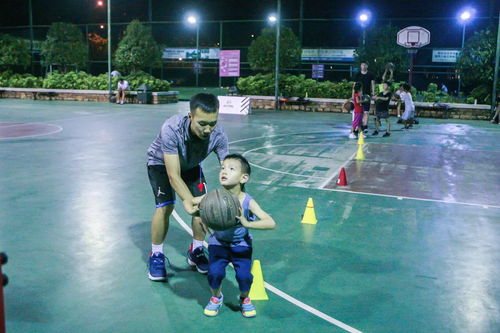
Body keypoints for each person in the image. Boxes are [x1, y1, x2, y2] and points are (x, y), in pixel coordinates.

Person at [146, 93, 229, 281]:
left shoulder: (218, 135)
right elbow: (173, 174)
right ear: (190, 116)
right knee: (165, 206)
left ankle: (196, 251)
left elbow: (228, 168)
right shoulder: (172, 128)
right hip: (161, 163)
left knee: (203, 207)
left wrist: (232, 197)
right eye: (202, 124)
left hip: (191, 165)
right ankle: (156, 254)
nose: (208, 129)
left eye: (212, 123)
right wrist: (188, 201)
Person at [203, 154, 276, 318]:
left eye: (231, 169)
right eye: (222, 168)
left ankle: (244, 298)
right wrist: (201, 215)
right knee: (214, 274)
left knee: (244, 277)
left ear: (244, 178)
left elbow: (270, 222)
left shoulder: (247, 201)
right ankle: (216, 297)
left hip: (241, 244)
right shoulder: (215, 197)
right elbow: (196, 204)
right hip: (218, 243)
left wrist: (247, 223)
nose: (224, 171)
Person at [354, 62, 375, 133]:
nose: (363, 66)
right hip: (359, 96)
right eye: (362, 65)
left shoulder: (370, 74)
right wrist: (352, 95)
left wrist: (373, 93)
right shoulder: (357, 74)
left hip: (367, 95)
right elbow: (354, 85)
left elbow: (373, 84)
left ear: (367, 66)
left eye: (365, 65)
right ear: (360, 66)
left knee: (366, 111)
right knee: (359, 112)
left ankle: (365, 126)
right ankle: (358, 126)